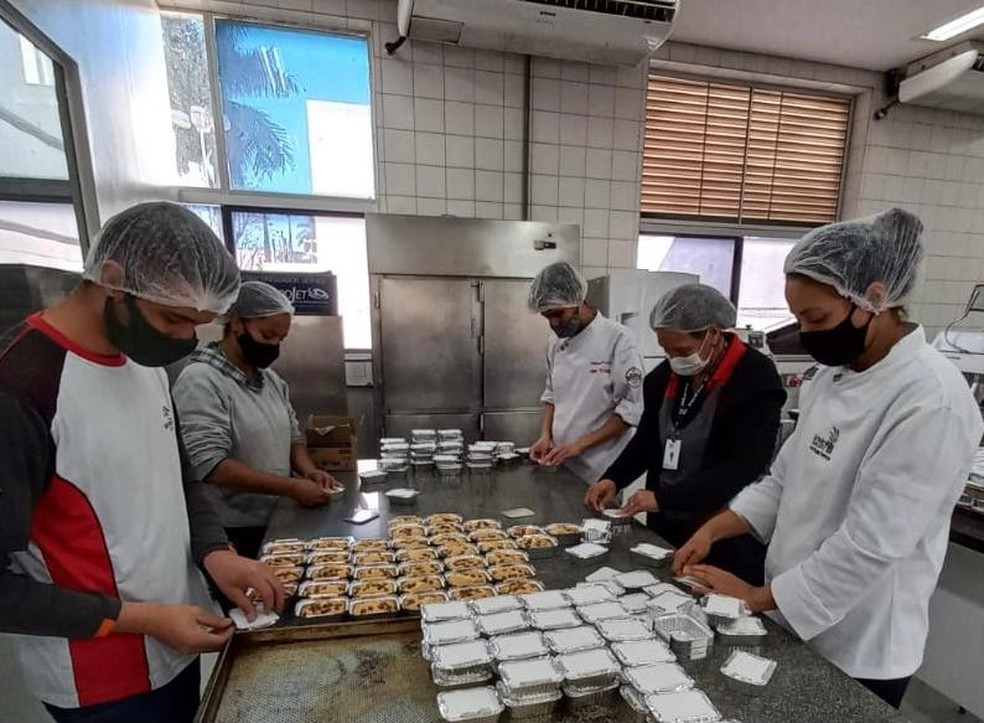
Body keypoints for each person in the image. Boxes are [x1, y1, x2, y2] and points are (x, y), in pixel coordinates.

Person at [672, 208, 983, 709]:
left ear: (874, 300)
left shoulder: (930, 401)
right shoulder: (833, 378)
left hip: (860, 643)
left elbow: (870, 546)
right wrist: (713, 529)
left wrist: (753, 597)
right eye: (798, 318)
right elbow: (782, 482)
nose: (807, 333)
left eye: (817, 319)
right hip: (790, 613)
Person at [0, 202, 285, 723]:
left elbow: (179, 476)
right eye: (173, 318)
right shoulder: (22, 387)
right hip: (99, 679)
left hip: (176, 643)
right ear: (113, 280)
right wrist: (144, 618)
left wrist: (215, 552)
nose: (184, 339)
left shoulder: (143, 363)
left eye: (197, 324)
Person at [584, 284, 785, 584]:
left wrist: (664, 498)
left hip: (722, 528)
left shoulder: (755, 377)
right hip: (667, 522)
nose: (674, 359)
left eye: (682, 350)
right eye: (666, 350)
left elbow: (744, 465)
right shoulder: (665, 377)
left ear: (713, 335)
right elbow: (648, 440)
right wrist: (613, 478)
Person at [172, 281, 342, 560]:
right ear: (238, 324)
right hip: (233, 529)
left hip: (275, 515)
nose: (274, 345)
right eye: (267, 334)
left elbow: (294, 437)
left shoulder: (271, 381)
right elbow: (210, 465)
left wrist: (309, 472)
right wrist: (291, 487)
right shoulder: (202, 380)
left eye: (281, 338)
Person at [528, 261, 645, 483]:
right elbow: (551, 395)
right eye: (547, 316)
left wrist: (579, 446)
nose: (553, 323)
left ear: (577, 301)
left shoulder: (618, 339)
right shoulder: (555, 343)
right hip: (561, 462)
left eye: (557, 314)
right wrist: (546, 436)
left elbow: (630, 410)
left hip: (602, 468)